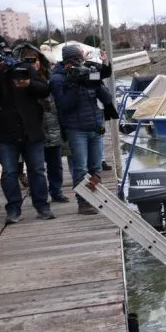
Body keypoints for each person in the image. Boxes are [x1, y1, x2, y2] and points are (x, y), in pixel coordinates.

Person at [0, 33, 54, 224]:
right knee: (9, 172)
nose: (2, 56)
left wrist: (28, 83)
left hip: (30, 127)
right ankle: (13, 209)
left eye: (5, 51)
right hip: (4, 129)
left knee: (37, 170)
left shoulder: (23, 66)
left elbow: (44, 89)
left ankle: (42, 206)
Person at [50, 44, 114, 215]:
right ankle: (83, 202)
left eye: (80, 60)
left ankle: (95, 198)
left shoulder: (88, 72)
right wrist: (75, 84)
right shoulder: (57, 79)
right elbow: (64, 105)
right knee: (81, 169)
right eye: (75, 61)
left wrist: (94, 81)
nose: (79, 64)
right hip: (76, 129)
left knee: (96, 168)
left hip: (95, 126)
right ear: (66, 63)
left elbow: (107, 98)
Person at [14, 43, 69, 204]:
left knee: (55, 164)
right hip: (33, 130)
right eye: (28, 60)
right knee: (35, 166)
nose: (34, 63)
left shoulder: (50, 77)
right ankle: (37, 192)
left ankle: (56, 191)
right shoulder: (18, 80)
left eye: (35, 59)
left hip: (52, 125)